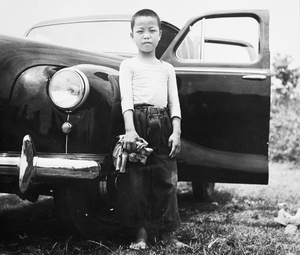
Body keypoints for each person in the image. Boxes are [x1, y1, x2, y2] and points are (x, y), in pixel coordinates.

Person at [117, 8, 186, 250]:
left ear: (159, 36)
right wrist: (130, 130)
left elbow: (174, 103)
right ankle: (141, 235)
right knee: (136, 181)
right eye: (140, 31)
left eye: (152, 31)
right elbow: (126, 100)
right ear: (132, 36)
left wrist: (175, 131)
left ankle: (168, 234)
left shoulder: (167, 69)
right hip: (137, 123)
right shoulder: (127, 66)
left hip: (163, 123)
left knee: (166, 179)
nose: (146, 36)